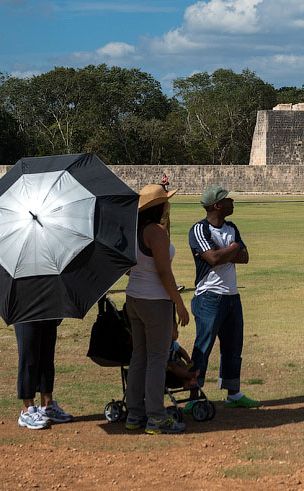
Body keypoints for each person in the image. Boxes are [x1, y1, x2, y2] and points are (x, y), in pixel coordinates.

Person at [124, 184, 190, 434]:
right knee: (156, 360)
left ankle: (134, 414)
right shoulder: (155, 232)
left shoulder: (137, 231)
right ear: (160, 206)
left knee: (138, 358)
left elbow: (129, 268)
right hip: (155, 301)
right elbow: (164, 272)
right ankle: (156, 417)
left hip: (134, 298)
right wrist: (179, 303)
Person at [188, 186, 259, 409]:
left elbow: (245, 257)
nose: (232, 202)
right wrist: (233, 248)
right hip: (209, 296)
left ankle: (233, 393)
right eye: (227, 200)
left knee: (233, 348)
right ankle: (193, 396)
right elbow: (212, 259)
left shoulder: (231, 227)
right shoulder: (200, 229)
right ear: (217, 205)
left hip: (231, 295)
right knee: (203, 347)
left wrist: (225, 252)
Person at [15, 319, 74, 430]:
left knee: (47, 358)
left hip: (48, 309)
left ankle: (47, 407)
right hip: (25, 310)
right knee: (29, 359)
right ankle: (27, 411)